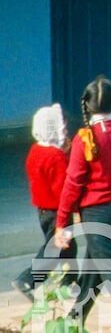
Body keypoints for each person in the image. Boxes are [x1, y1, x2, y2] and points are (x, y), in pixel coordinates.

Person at [54, 76, 111, 329]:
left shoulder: (85, 139)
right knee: (92, 275)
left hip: (97, 215)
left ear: (86, 106)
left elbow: (72, 183)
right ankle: (70, 327)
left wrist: (61, 223)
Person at [12, 104, 76, 301]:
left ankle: (69, 283)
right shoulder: (55, 157)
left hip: (42, 211)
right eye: (61, 127)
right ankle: (27, 279)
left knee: (68, 247)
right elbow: (63, 188)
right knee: (54, 248)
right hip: (58, 211)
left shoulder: (35, 151)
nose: (64, 131)